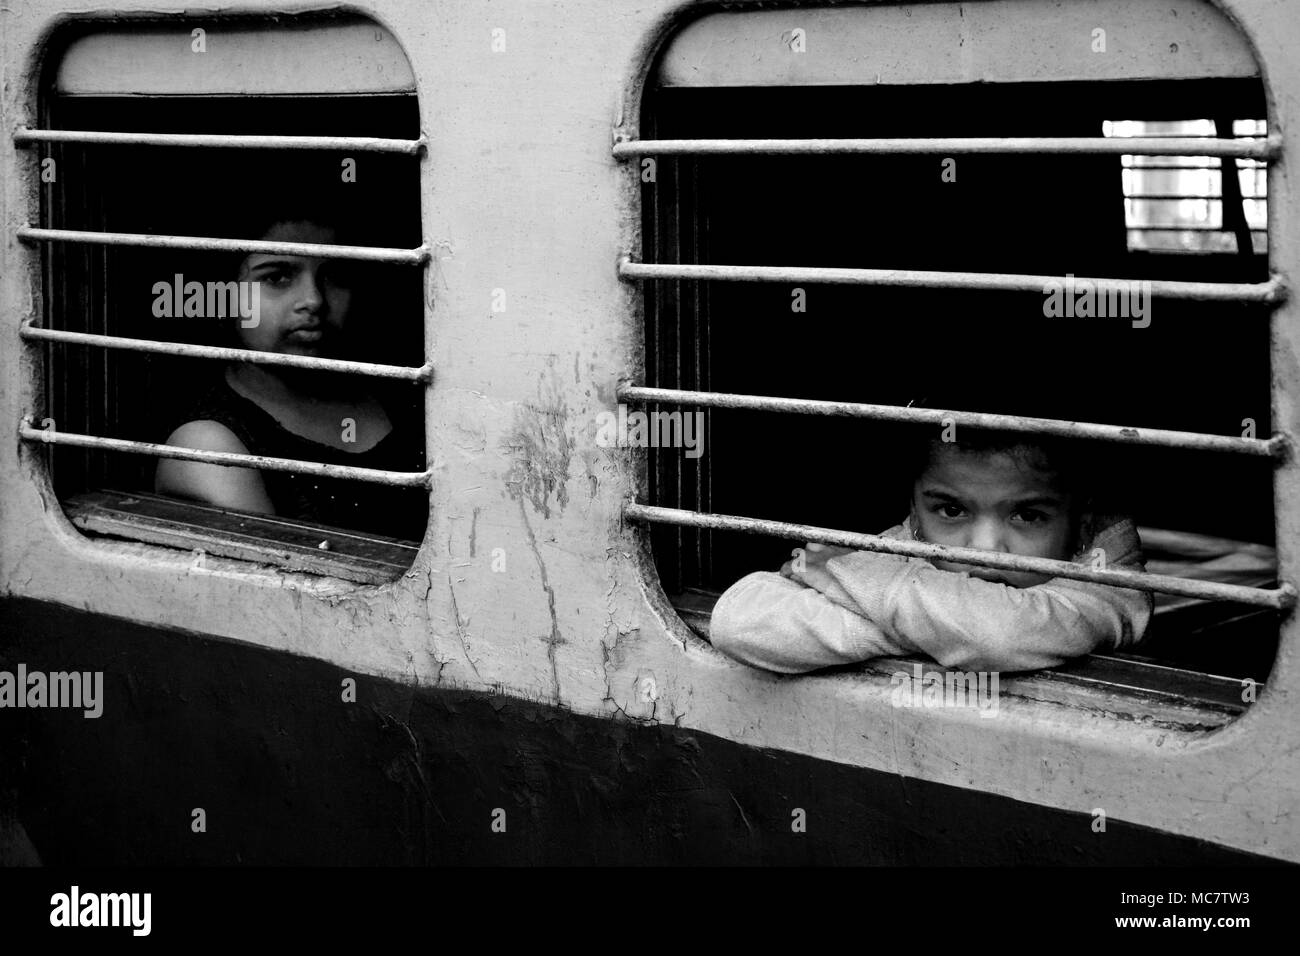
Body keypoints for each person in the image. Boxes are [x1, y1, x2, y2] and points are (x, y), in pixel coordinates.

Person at [709, 429, 1152, 673]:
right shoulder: (907, 542)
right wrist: (938, 625)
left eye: (1028, 515)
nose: (983, 550)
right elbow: (741, 624)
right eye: (952, 509)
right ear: (914, 511)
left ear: (1083, 519)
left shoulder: (1105, 577)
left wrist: (851, 580)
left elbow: (995, 636)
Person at [154, 209, 427, 541]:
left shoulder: (399, 389)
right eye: (277, 277)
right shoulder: (209, 447)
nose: (313, 300)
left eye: (333, 274)